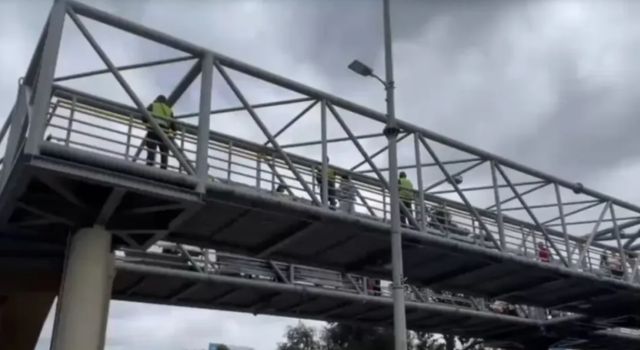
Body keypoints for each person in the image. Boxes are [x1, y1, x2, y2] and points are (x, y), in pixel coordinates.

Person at [145, 95, 176, 170]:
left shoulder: (152, 105)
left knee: (151, 150)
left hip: (153, 130)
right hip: (164, 132)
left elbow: (144, 117)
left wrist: (148, 123)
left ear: (157, 99)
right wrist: (173, 135)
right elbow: (174, 127)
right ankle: (163, 168)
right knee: (164, 152)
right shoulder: (169, 110)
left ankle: (149, 166)